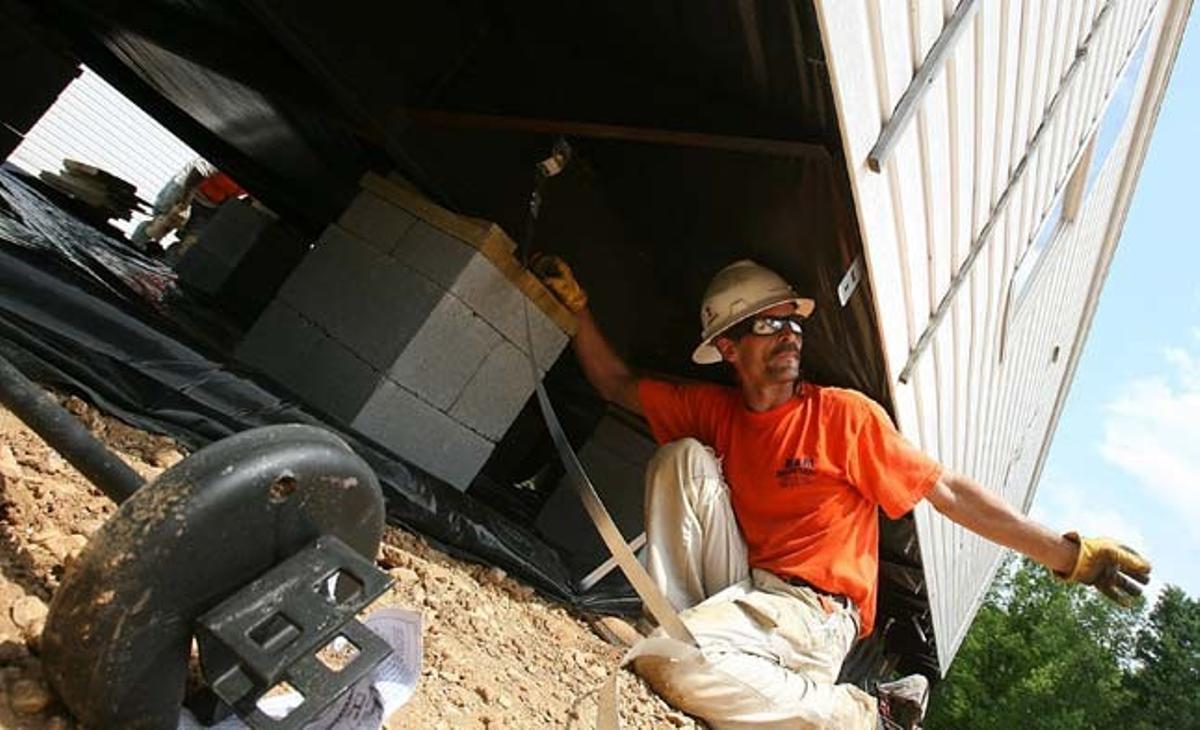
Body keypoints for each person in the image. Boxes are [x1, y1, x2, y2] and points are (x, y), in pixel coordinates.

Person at [534, 257, 1151, 729]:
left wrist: (1069, 556)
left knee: (673, 662)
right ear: (728, 347)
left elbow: (950, 493)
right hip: (749, 587)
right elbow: (616, 383)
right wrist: (577, 310)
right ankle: (669, 626)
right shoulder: (715, 413)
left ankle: (865, 716)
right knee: (682, 461)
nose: (792, 334)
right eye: (770, 323)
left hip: (815, 616)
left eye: (794, 320)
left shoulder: (843, 418)